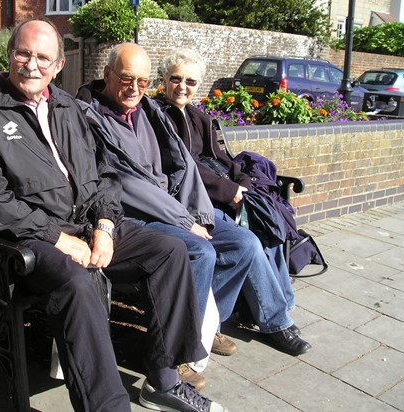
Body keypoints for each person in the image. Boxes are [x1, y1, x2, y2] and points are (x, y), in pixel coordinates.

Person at [0, 19, 226, 412]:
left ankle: (164, 381)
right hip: (28, 238)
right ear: (9, 55)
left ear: (59, 65)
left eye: (43, 57)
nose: (32, 65)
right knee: (78, 282)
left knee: (169, 251)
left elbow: (104, 176)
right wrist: (59, 238)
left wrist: (104, 225)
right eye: (23, 53)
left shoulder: (68, 108)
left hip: (86, 225)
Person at [76, 43, 312, 370]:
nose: (134, 89)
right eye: (126, 78)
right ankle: (182, 352)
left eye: (142, 82)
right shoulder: (91, 115)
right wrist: (187, 220)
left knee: (245, 243)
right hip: (135, 215)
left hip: (176, 207)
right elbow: (124, 182)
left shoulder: (150, 112)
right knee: (203, 251)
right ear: (107, 75)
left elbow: (187, 165)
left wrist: (199, 212)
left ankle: (208, 326)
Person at [154, 48, 296, 319]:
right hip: (194, 201)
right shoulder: (158, 116)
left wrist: (243, 184)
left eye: (191, 81)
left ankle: (284, 303)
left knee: (270, 222)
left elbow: (221, 157)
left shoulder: (199, 117)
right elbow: (185, 167)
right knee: (249, 241)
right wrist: (230, 192)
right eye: (176, 79)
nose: (183, 87)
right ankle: (275, 319)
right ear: (164, 80)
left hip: (223, 192)